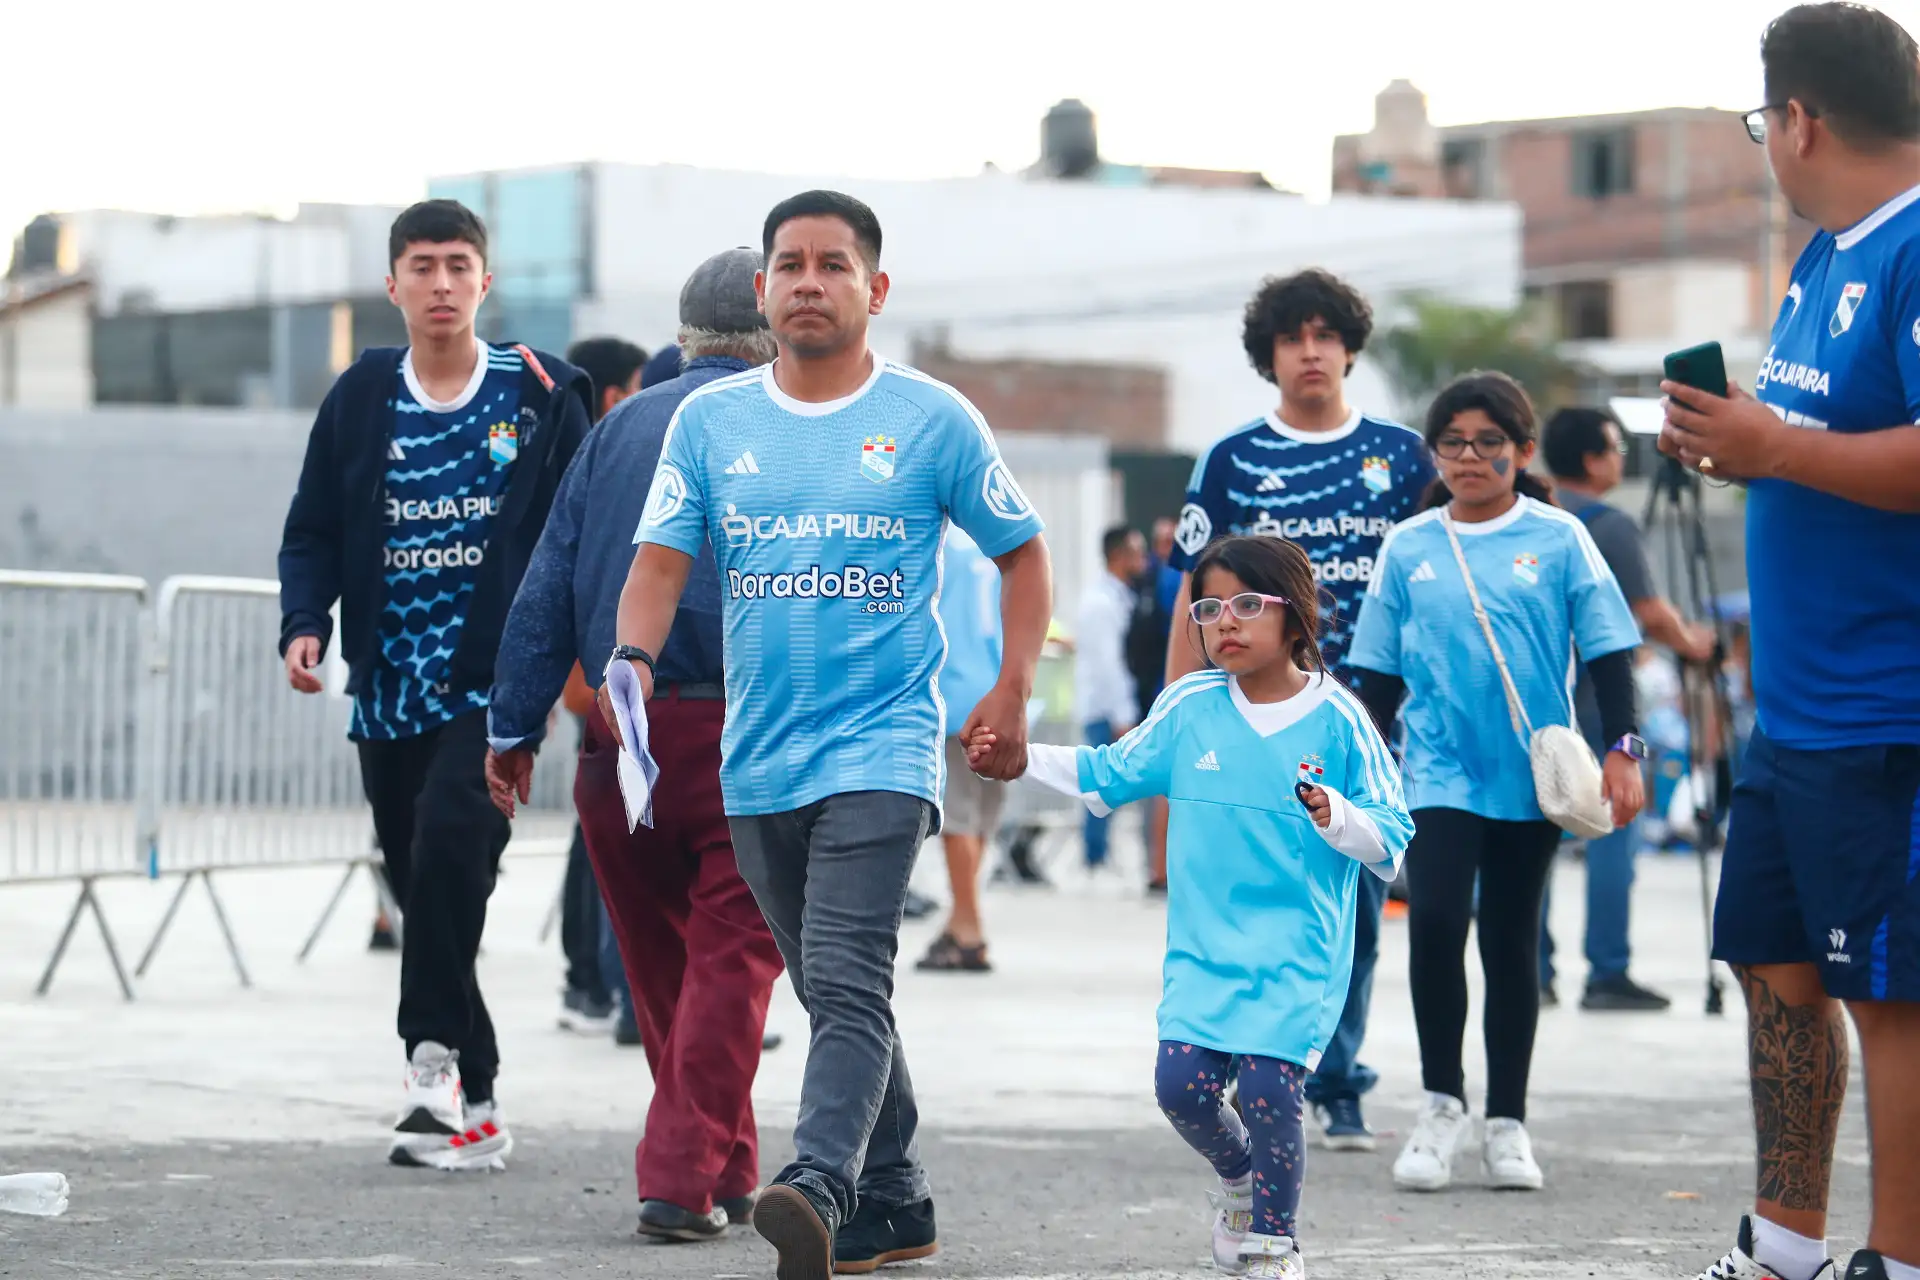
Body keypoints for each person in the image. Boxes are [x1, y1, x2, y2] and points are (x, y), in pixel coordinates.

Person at [605, 190, 1053, 1277]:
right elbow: (659, 563)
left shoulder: (935, 417)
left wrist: (1011, 686)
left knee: (849, 973)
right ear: (762, 290)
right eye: (790, 263)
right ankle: (898, 1198)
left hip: (885, 744)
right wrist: (631, 663)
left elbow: (1023, 552)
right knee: (829, 983)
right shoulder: (708, 423)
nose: (809, 280)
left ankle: (820, 1180)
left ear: (874, 289)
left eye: (833, 264)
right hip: (756, 757)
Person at [1657, 7, 1920, 1279]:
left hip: (1889, 707)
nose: (1770, 145)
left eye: (1767, 123)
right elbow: (1809, 442)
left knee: (1893, 994)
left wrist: (1784, 449)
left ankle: (1901, 1257)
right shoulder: (1822, 260)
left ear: (1801, 119)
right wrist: (1733, 441)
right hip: (1795, 710)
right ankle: (1786, 1245)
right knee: (1774, 966)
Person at [969, 535, 1413, 1280]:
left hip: (1297, 949)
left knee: (1272, 1089)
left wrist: (1337, 814)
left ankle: (1275, 1240)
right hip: (1203, 946)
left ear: (1296, 617)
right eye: (1209, 609)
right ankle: (1240, 1178)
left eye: (1247, 604)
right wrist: (1019, 756)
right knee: (1181, 1088)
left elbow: (1392, 840)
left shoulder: (1339, 719)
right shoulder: (1189, 705)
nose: (1225, 622)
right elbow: (1107, 773)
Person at [276, 198, 591, 1170]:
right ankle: (481, 1095)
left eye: (460, 264)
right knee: (427, 887)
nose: (443, 282)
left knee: (456, 843)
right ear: (393, 284)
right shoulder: (363, 396)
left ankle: (427, 1059)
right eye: (423, 265)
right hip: (387, 688)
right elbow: (313, 524)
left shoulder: (535, 391)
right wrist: (303, 621)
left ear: (485, 281)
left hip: (493, 685)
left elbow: (578, 528)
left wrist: (575, 659)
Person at [487, 249, 787, 1240]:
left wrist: (513, 724)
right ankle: (676, 1176)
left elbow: (546, 582)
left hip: (615, 740)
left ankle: (728, 1162)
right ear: (774, 325)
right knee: (735, 963)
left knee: (668, 970)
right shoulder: (789, 424)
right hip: (740, 730)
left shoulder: (617, 428)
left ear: (684, 336)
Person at [1345, 370, 1645, 1194]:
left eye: (1487, 443)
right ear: (1435, 453)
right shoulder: (1409, 546)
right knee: (1437, 920)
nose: (1469, 458)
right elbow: (1373, 675)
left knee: (1511, 939)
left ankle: (1506, 1121)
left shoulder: (1558, 539)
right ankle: (1442, 1104)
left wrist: (1624, 748)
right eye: (1452, 443)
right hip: (1437, 769)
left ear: (1521, 450)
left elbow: (1613, 654)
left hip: (1531, 777)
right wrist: (1352, 767)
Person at [1165, 268, 1436, 1152]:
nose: (1310, 352)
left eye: (1325, 335)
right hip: (1249, 723)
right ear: (1269, 355)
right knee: (1249, 901)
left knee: (1351, 909)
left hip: (1369, 721)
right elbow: (1192, 597)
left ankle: (1332, 1072)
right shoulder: (1232, 460)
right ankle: (1249, 1064)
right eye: (1292, 338)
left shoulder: (1403, 458)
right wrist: (1175, 723)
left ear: (1350, 347)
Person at [1536, 406, 1718, 1012]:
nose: (1620, 459)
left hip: (1538, 701)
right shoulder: (1609, 525)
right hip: (1599, 702)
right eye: (1615, 448)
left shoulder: (1531, 516)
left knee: (1533, 833)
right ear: (1592, 459)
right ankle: (1607, 970)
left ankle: (1533, 967)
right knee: (1614, 830)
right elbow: (1647, 611)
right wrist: (1695, 643)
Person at [550, 336, 650, 1037]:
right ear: (614, 394)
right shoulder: (604, 461)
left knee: (596, 844)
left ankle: (590, 981)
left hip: (601, 685)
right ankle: (601, 984)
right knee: (607, 843)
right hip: (605, 684)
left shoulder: (593, 456)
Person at [915, 526, 1007, 972]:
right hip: (997, 690)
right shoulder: (992, 549)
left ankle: (968, 923)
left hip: (951, 692)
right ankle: (961, 916)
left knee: (958, 819)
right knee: (982, 813)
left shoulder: (933, 547)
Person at [1076, 526, 1146, 871]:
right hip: (1104, 710)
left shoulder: (1124, 596)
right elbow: (1110, 664)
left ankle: (1098, 856)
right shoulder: (1100, 602)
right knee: (1101, 787)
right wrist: (1123, 714)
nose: (1142, 560)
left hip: (1112, 709)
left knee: (1108, 785)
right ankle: (1094, 858)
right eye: (1137, 552)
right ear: (1119, 555)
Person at [1127, 516, 1183, 893]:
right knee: (1168, 787)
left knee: (1163, 787)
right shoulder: (1174, 580)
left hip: (1157, 694)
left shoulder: (1152, 581)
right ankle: (1160, 869)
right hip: (1168, 694)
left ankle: (1159, 867)